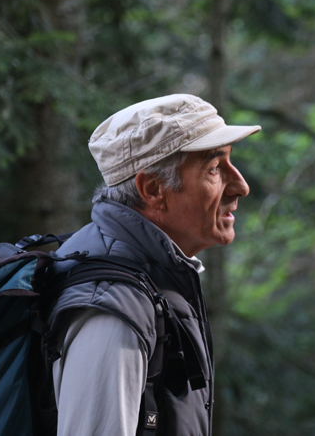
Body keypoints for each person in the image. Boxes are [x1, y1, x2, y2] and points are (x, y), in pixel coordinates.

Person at [46, 94, 260, 436]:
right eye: (214, 168)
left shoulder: (152, 280)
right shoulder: (112, 309)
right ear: (154, 188)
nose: (241, 186)